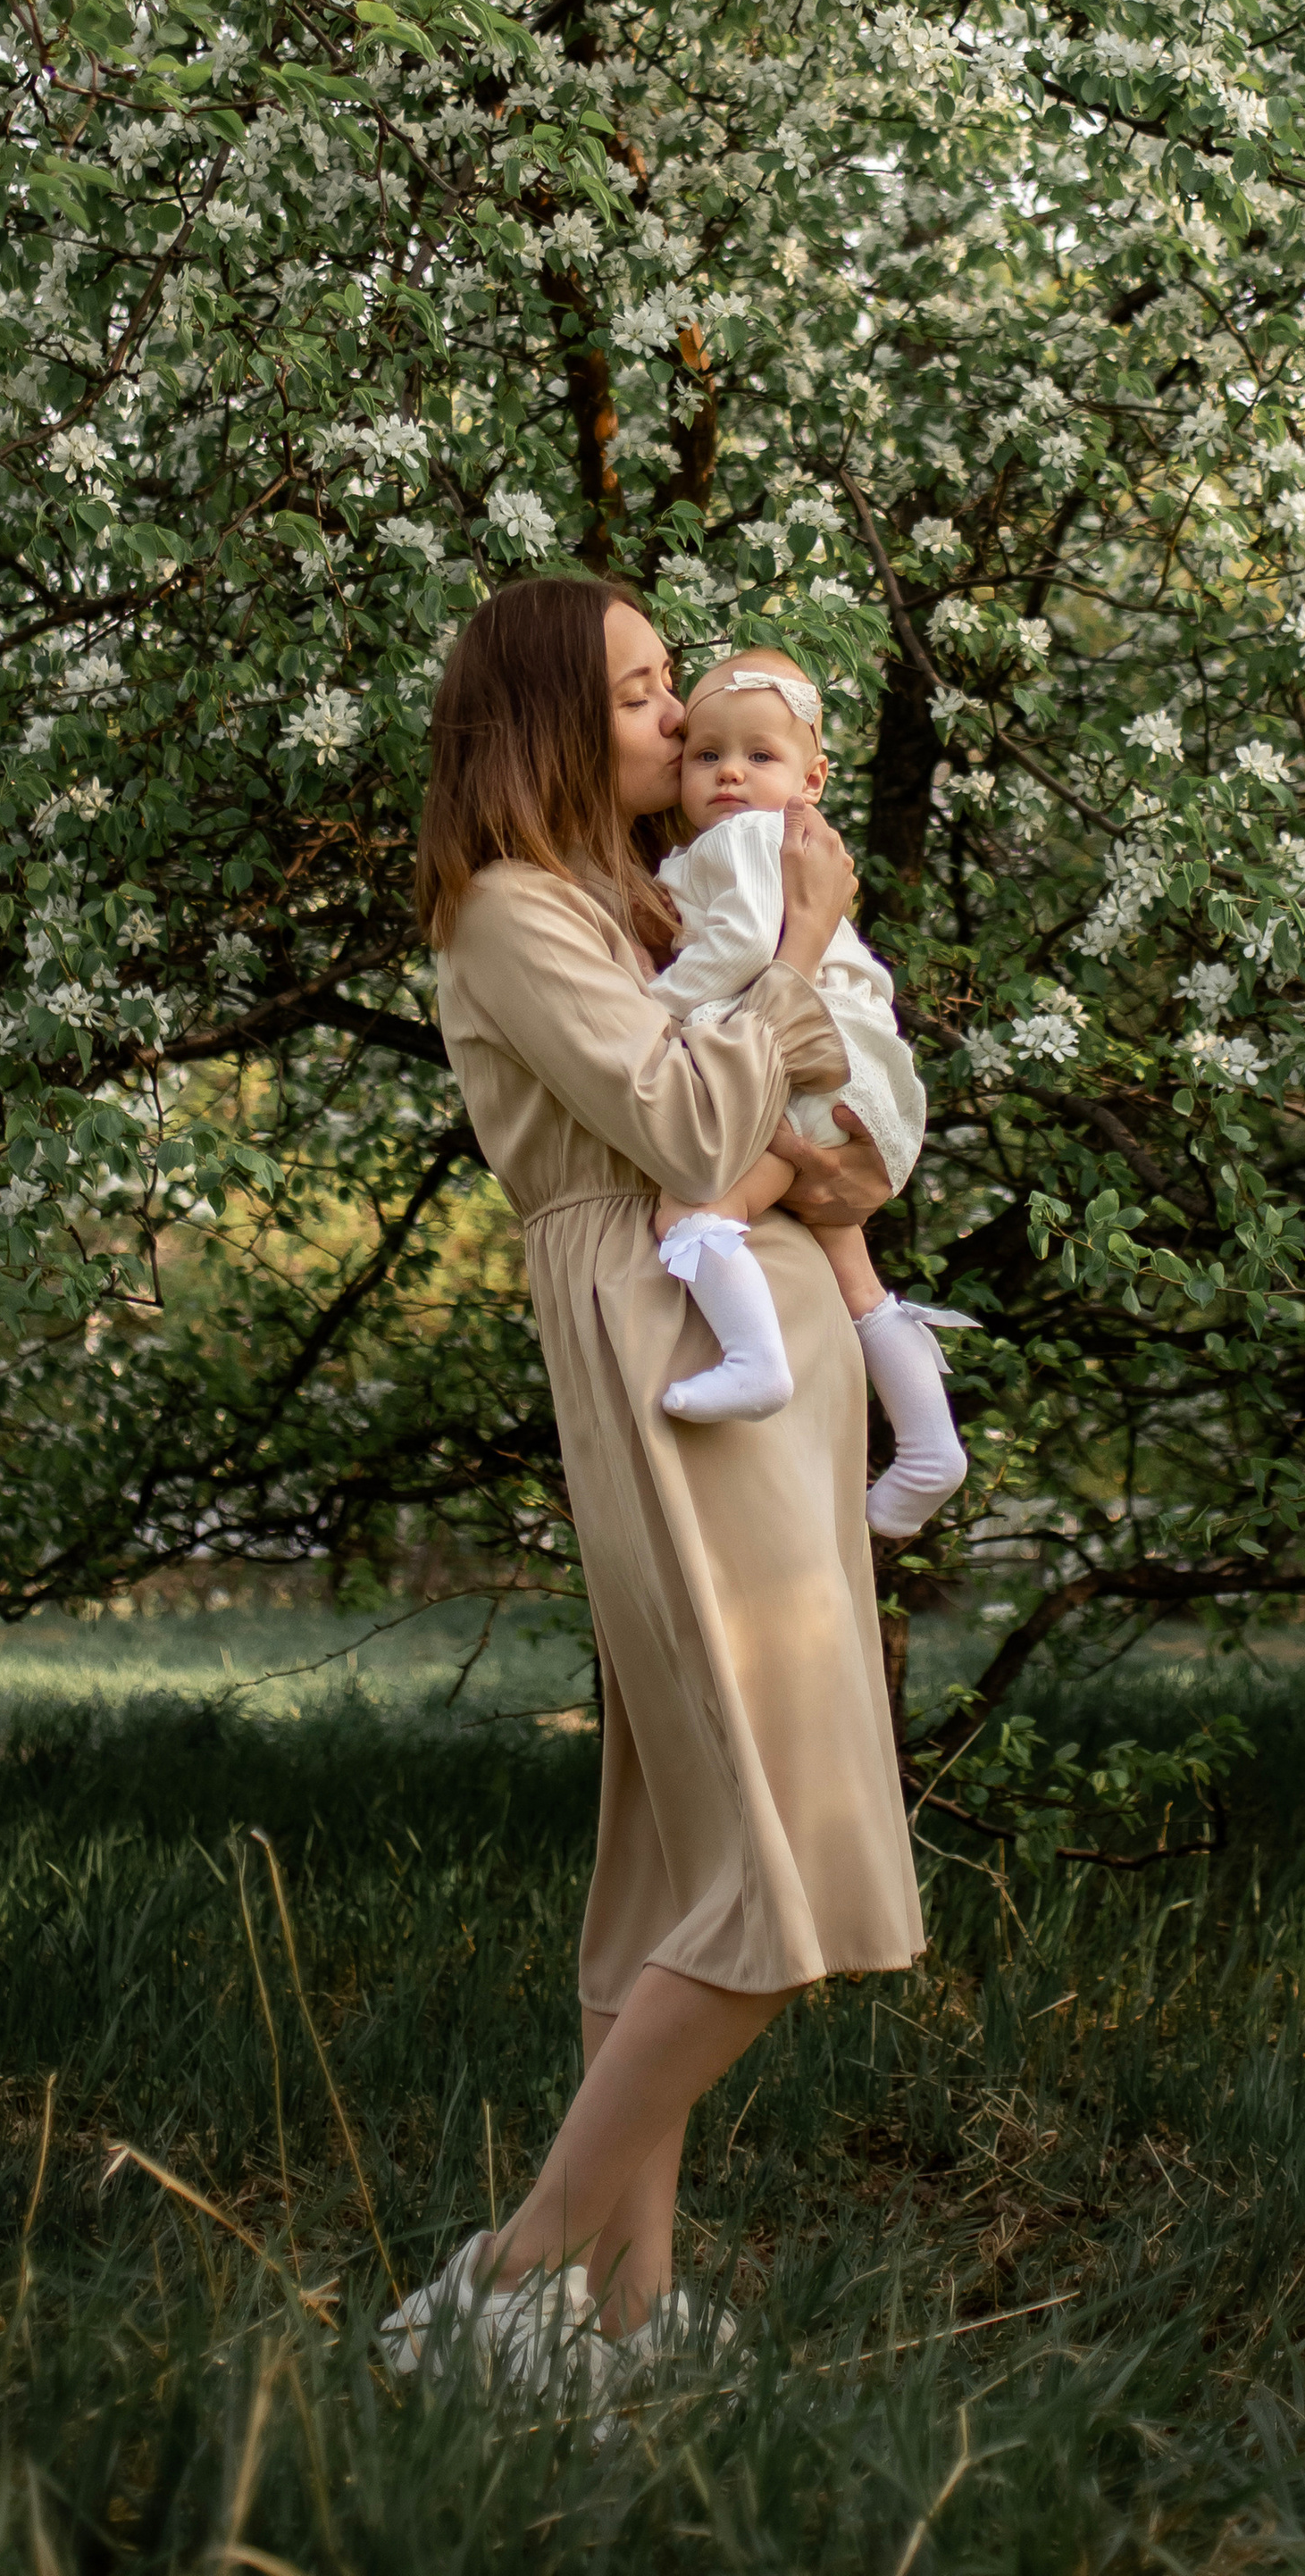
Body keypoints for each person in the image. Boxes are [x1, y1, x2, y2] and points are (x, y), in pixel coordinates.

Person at [386, 573, 923, 2386]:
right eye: (634, 699)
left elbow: (835, 1147)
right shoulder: (512, 914)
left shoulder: (650, 899)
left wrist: (796, 1052)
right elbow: (696, 1126)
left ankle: (615, 2317)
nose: (677, 732)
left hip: (755, 1342)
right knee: (774, 1869)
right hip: (666, 1347)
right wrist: (785, 968)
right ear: (544, 720)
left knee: (681, 1856)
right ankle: (506, 2280)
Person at [645, 644, 972, 1542]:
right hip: (860, 1080)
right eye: (707, 756)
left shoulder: (747, 837)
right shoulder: (776, 837)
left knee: (692, 1213)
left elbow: (748, 943)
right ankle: (929, 1448)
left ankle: (754, 1359)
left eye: (760, 756)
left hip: (806, 1064)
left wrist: (655, 1005)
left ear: (812, 777)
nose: (729, 773)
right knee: (854, 1274)